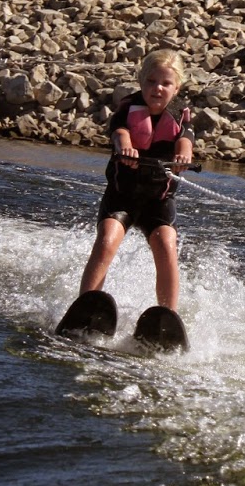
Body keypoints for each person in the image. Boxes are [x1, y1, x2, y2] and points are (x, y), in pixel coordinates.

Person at [79, 48, 194, 310]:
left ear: (176, 88)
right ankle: (84, 305)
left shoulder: (180, 112)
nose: (157, 88)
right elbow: (119, 132)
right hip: (122, 196)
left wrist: (184, 155)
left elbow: (186, 138)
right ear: (141, 81)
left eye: (166, 83)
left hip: (159, 199)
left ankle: (167, 314)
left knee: (166, 246)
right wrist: (126, 148)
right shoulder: (128, 106)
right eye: (151, 81)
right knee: (106, 240)